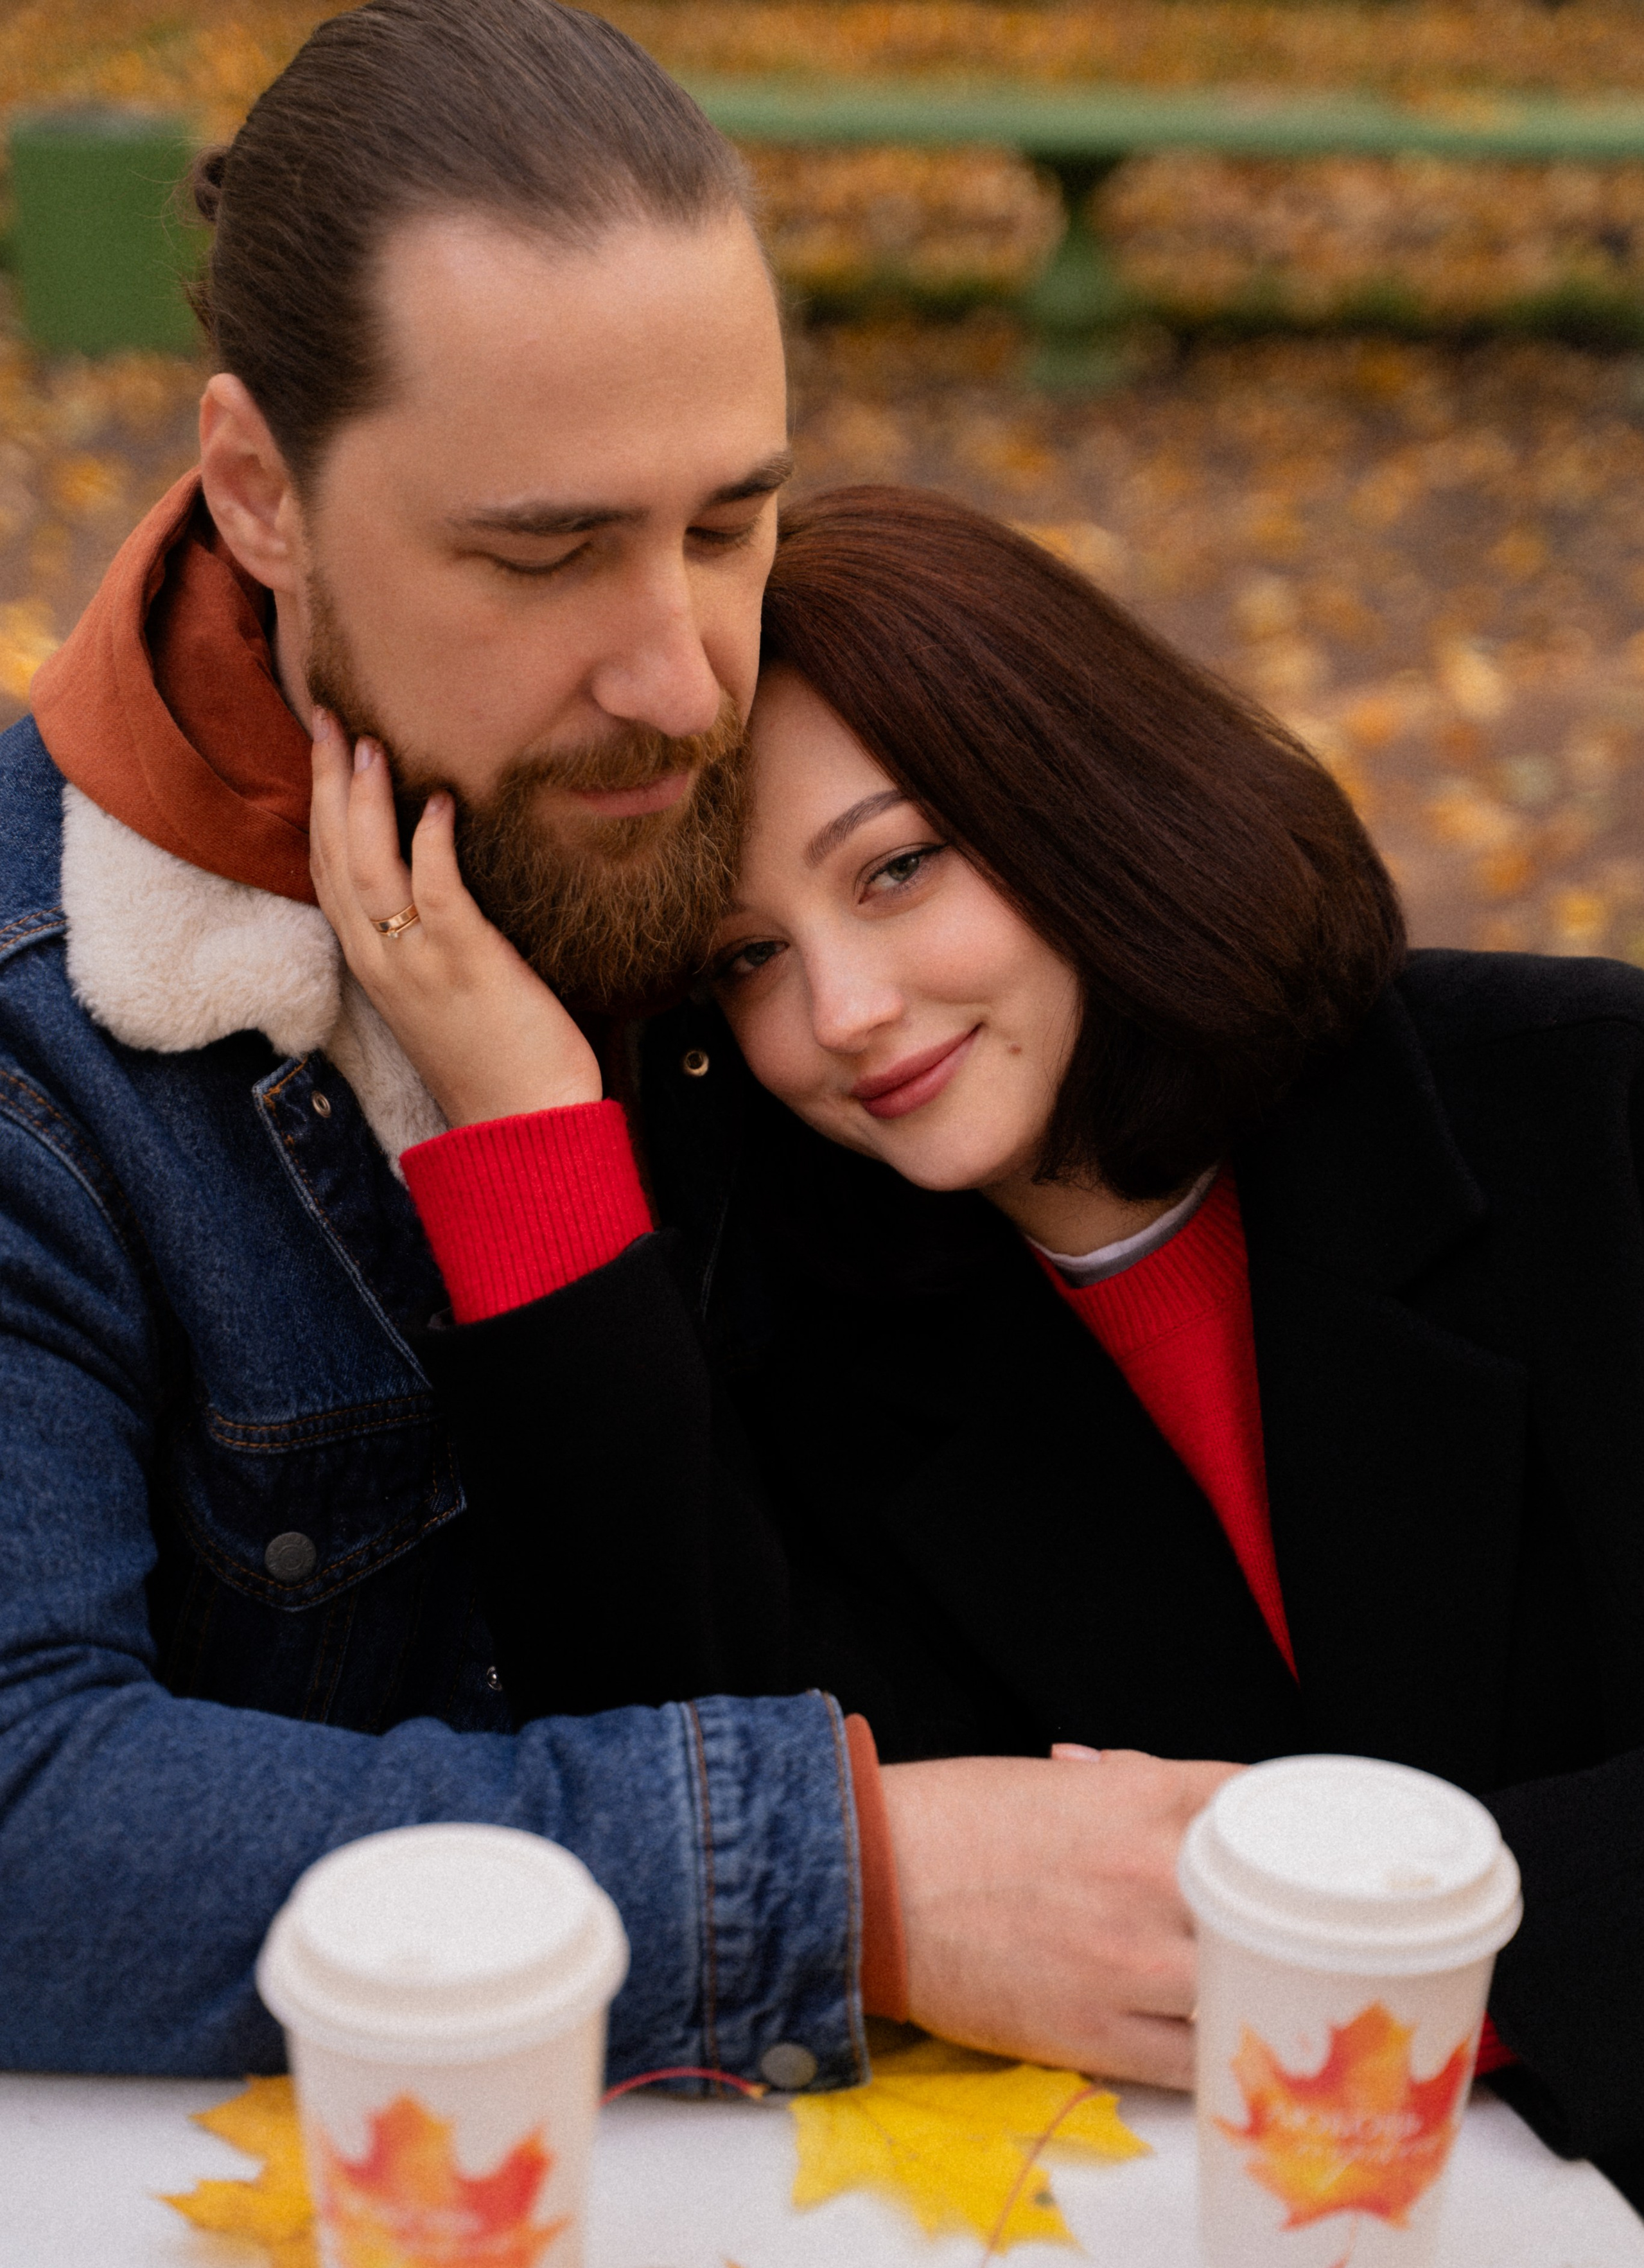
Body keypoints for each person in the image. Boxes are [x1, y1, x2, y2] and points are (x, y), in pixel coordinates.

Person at [0, 0, 1219, 2096]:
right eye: (545, 554)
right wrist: (856, 1878)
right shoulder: (49, 1053)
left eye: (732, 522)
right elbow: (29, 1825)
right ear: (259, 492)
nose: (680, 678)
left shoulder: (785, 825)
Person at [311, 483, 1644, 2192]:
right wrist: (522, 1124)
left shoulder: (1585, 1109)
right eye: (748, 959)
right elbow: (686, 1809)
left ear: (1077, 794)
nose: (843, 1015)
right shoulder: (805, 1331)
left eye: (898, 866)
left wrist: (1408, 1965)